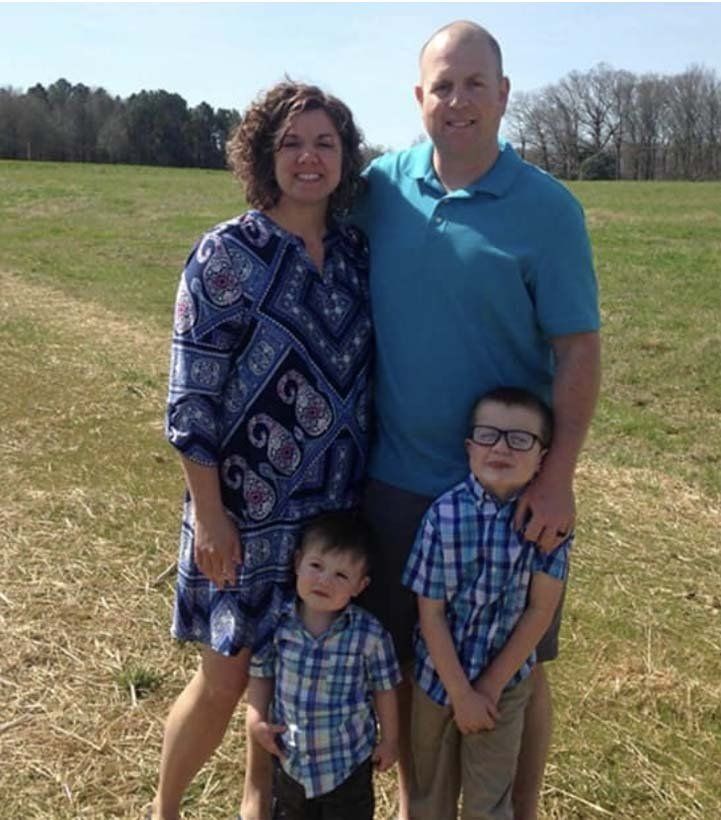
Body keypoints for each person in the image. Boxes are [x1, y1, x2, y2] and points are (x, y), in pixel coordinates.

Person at [352, 20, 601, 820]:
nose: (456, 100)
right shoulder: (379, 189)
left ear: (502, 94)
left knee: (519, 664)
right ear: (418, 97)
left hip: (507, 485)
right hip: (396, 478)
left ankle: (518, 809)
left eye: (472, 84)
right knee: (407, 649)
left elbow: (577, 348)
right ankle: (416, 804)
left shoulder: (547, 210)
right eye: (441, 85)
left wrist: (556, 479)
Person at [150, 82, 372, 820]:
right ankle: (165, 809)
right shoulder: (226, 254)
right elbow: (190, 401)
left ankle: (257, 800)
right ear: (262, 157)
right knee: (225, 679)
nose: (308, 158)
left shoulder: (352, 251)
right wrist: (210, 516)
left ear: (344, 156)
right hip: (242, 518)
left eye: (325, 143)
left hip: (326, 519)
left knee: (282, 674)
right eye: (291, 143)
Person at [403, 388, 570, 819]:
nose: (501, 447)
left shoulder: (548, 523)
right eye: (489, 435)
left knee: (490, 799)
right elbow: (431, 612)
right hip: (437, 682)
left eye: (520, 439)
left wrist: (490, 688)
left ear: (542, 457)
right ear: (469, 447)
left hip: (506, 688)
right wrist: (461, 693)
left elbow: (540, 611)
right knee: (429, 797)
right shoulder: (442, 517)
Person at [247, 511, 401, 820]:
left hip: (346, 766)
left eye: (341, 575)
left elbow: (385, 689)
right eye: (316, 566)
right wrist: (255, 719)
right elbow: (261, 675)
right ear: (297, 562)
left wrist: (391, 739)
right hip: (292, 763)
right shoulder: (277, 625)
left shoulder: (369, 634)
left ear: (360, 585)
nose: (324, 580)